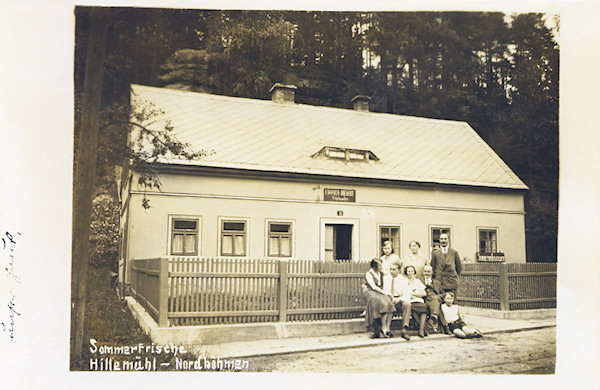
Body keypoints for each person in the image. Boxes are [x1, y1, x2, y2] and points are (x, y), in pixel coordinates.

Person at [363, 258, 396, 338]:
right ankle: (383, 328)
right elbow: (373, 287)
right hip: (371, 291)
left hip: (380, 291)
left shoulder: (381, 273)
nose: (381, 267)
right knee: (381, 303)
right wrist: (384, 292)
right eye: (379, 265)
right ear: (374, 266)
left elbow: (389, 276)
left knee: (389, 303)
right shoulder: (369, 274)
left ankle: (387, 328)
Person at [385, 261, 411, 340]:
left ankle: (404, 329)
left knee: (407, 304)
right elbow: (384, 291)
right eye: (390, 269)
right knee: (388, 303)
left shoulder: (403, 280)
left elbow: (407, 294)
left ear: (399, 270)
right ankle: (386, 329)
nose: (391, 271)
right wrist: (389, 298)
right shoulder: (386, 278)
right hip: (388, 299)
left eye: (394, 269)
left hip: (399, 300)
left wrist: (398, 299)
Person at [402, 265, 428, 338]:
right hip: (409, 301)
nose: (410, 273)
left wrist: (413, 294)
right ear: (406, 273)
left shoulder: (417, 281)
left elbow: (424, 293)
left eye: (412, 271)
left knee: (424, 308)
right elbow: (405, 294)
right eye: (408, 271)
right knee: (413, 309)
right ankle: (422, 330)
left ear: (414, 272)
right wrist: (415, 295)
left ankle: (421, 330)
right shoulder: (404, 281)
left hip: (419, 300)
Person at [418, 264, 445, 333]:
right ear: (423, 272)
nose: (427, 273)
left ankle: (433, 316)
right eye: (425, 271)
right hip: (424, 299)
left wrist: (439, 296)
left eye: (429, 271)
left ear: (432, 272)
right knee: (436, 302)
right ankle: (436, 319)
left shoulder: (437, 282)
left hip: (434, 299)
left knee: (435, 298)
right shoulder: (418, 281)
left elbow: (443, 293)